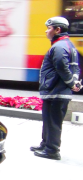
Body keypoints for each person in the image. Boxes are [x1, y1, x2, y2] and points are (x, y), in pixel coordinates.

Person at [30, 17, 81, 160]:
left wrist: (71, 83)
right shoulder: (69, 45)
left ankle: (52, 150)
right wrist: (75, 81)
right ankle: (45, 144)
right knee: (48, 119)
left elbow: (61, 67)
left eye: (49, 28)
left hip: (56, 91)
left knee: (53, 122)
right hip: (55, 91)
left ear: (57, 30)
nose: (46, 31)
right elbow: (75, 67)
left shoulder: (58, 47)